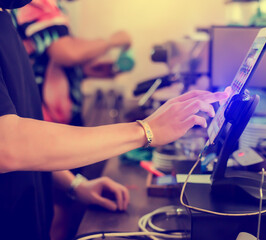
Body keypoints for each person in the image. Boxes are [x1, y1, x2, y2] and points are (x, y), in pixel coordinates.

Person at [0, 1, 229, 240]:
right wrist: (145, 130)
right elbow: (8, 144)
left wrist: (75, 185)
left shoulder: (7, 18)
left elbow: (25, 138)